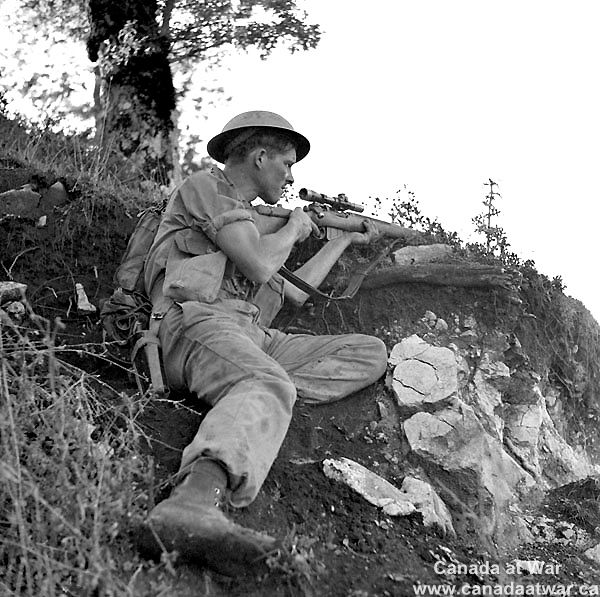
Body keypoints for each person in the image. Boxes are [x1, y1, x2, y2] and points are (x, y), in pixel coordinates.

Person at [139, 110, 388, 575]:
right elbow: (256, 266)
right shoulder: (205, 189)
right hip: (193, 322)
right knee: (266, 380)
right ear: (259, 156)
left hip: (249, 333)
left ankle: (258, 393)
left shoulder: (254, 220)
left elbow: (293, 291)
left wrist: (341, 240)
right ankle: (192, 502)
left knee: (367, 353)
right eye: (287, 164)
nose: (292, 176)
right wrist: (294, 229)